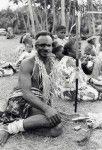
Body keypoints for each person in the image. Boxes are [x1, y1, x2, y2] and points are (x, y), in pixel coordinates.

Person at [0, 31, 62, 145]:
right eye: (42, 45)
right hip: (21, 100)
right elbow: (26, 93)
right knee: (53, 122)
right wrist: (46, 109)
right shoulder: (27, 63)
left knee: (56, 130)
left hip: (36, 100)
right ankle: (8, 128)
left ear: (52, 46)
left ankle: (21, 124)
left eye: (49, 45)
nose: (46, 48)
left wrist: (48, 107)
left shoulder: (52, 62)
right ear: (35, 46)